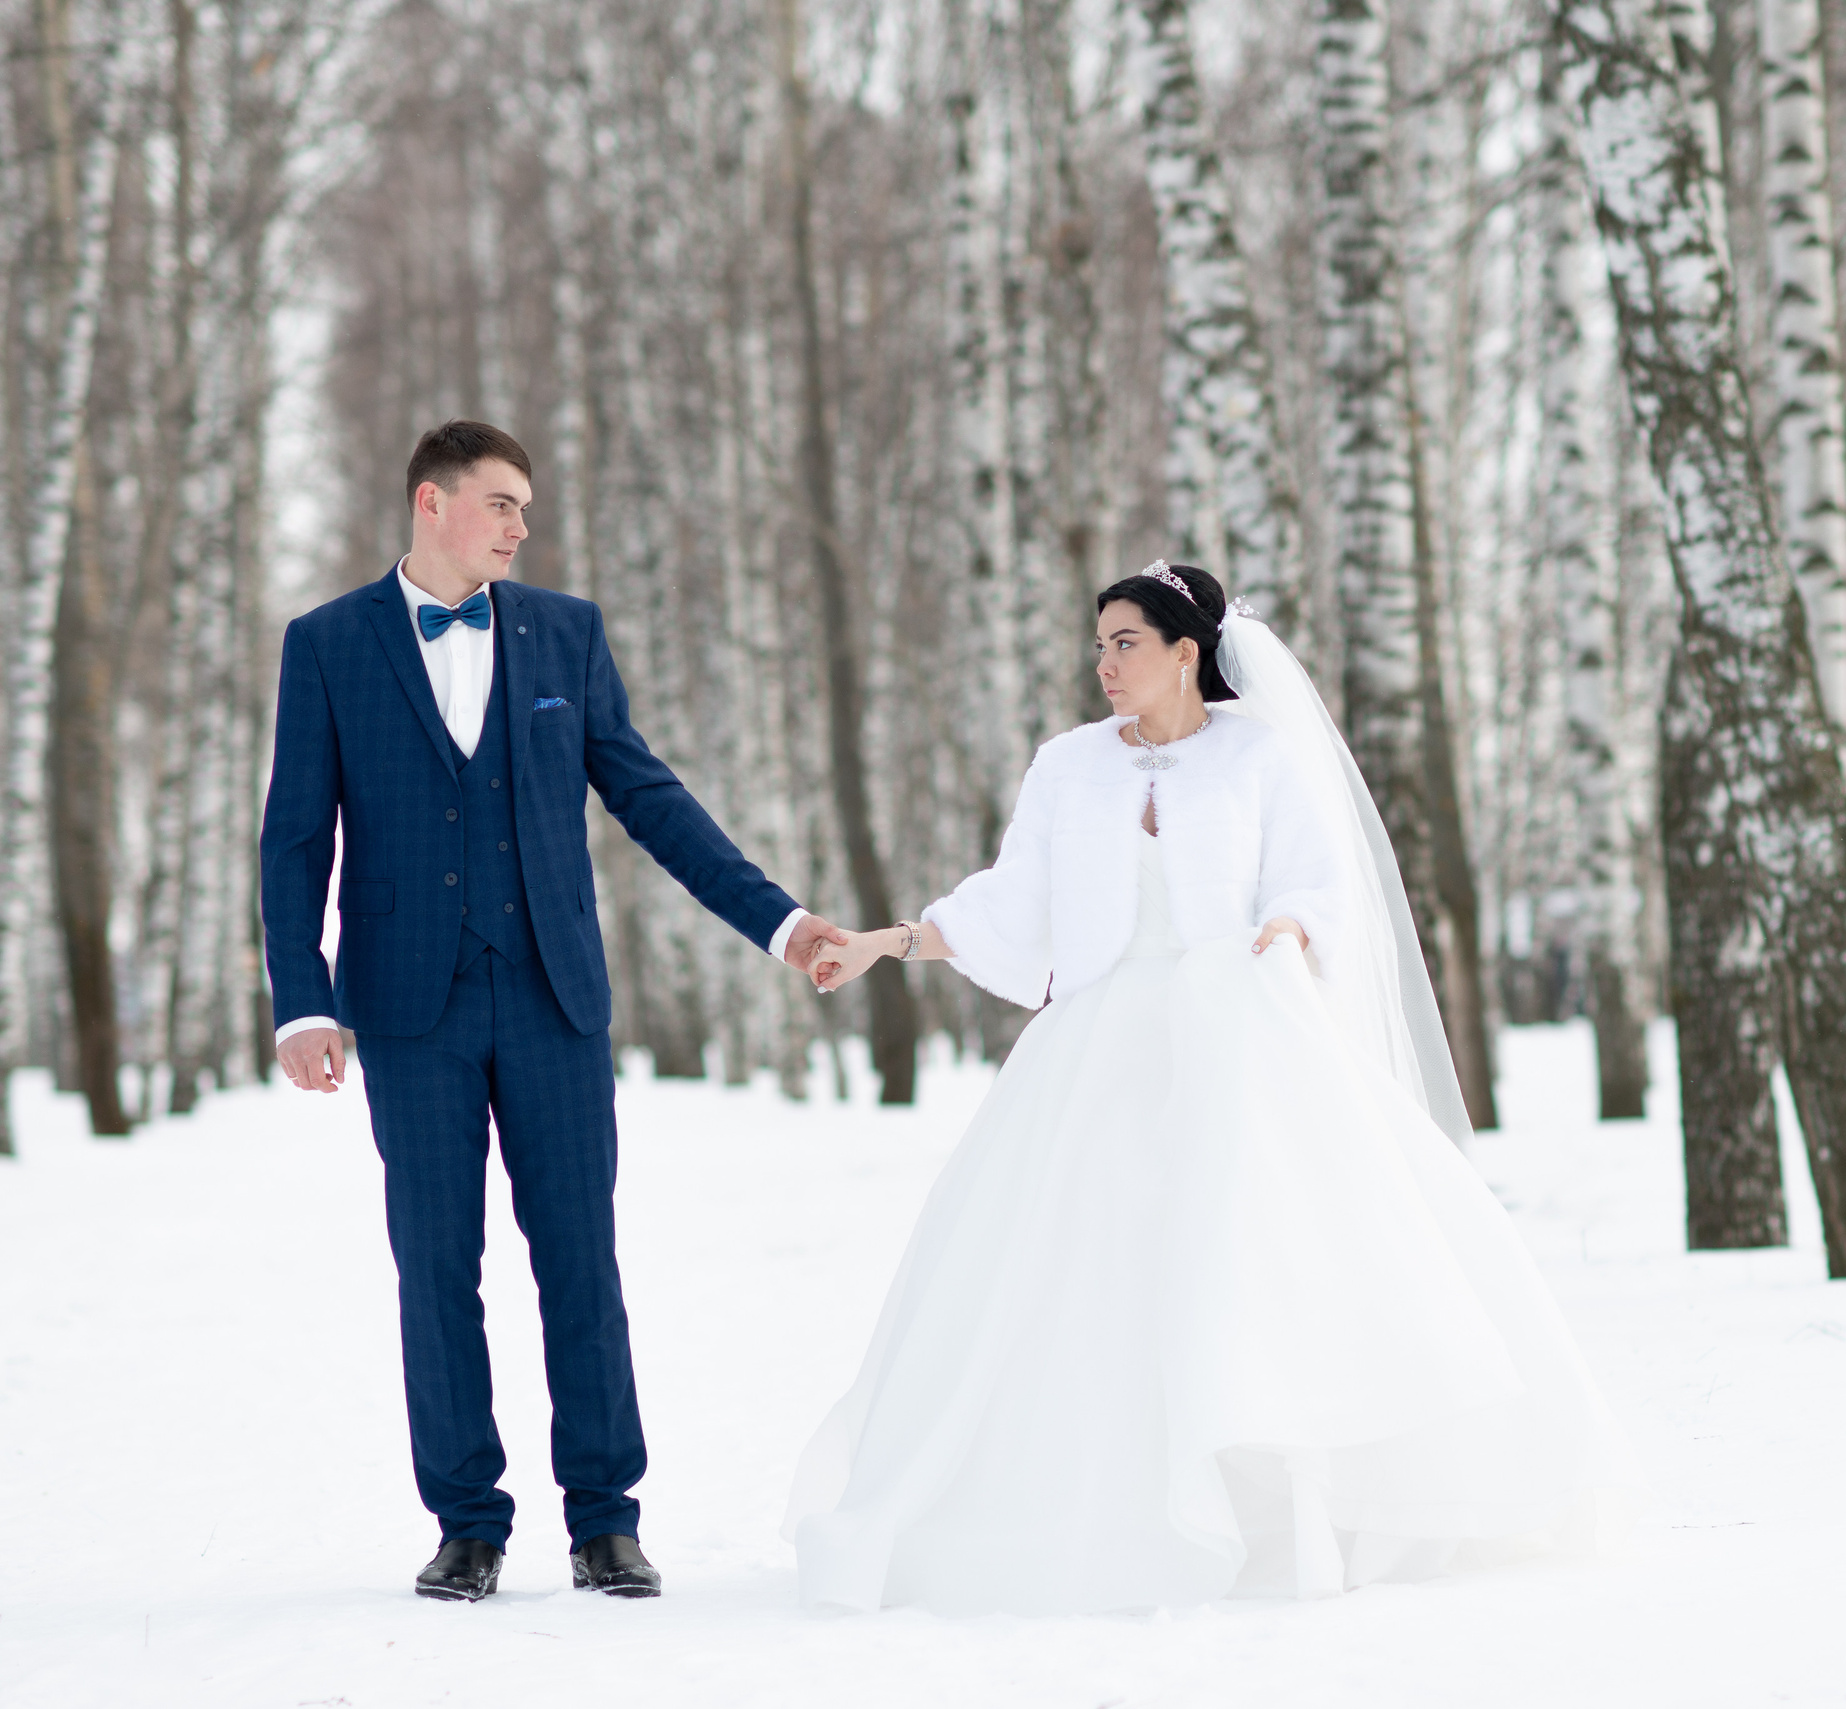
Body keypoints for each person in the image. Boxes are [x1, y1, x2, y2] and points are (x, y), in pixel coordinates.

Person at [789, 562, 1640, 1613]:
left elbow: (1316, 879)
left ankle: (1285, 1506)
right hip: (1096, 1048)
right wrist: (891, 940)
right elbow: (1014, 899)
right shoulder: (1066, 767)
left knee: (1260, 1266)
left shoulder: (1258, 754)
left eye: (1126, 643)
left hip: (1240, 1035)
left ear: (1186, 652)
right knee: (1077, 1273)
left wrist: (1290, 925)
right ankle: (1091, 1508)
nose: (1104, 664)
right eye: (1098, 644)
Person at [260, 421, 844, 1604]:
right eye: (501, 504)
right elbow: (292, 837)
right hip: (409, 1006)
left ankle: (604, 1518)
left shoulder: (563, 633)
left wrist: (781, 922)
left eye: (525, 508)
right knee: (436, 1263)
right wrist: (301, 1004)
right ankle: (467, 1520)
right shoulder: (325, 644)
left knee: (580, 1257)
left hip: (553, 997)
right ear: (432, 502)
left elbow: (646, 794)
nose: (522, 527)